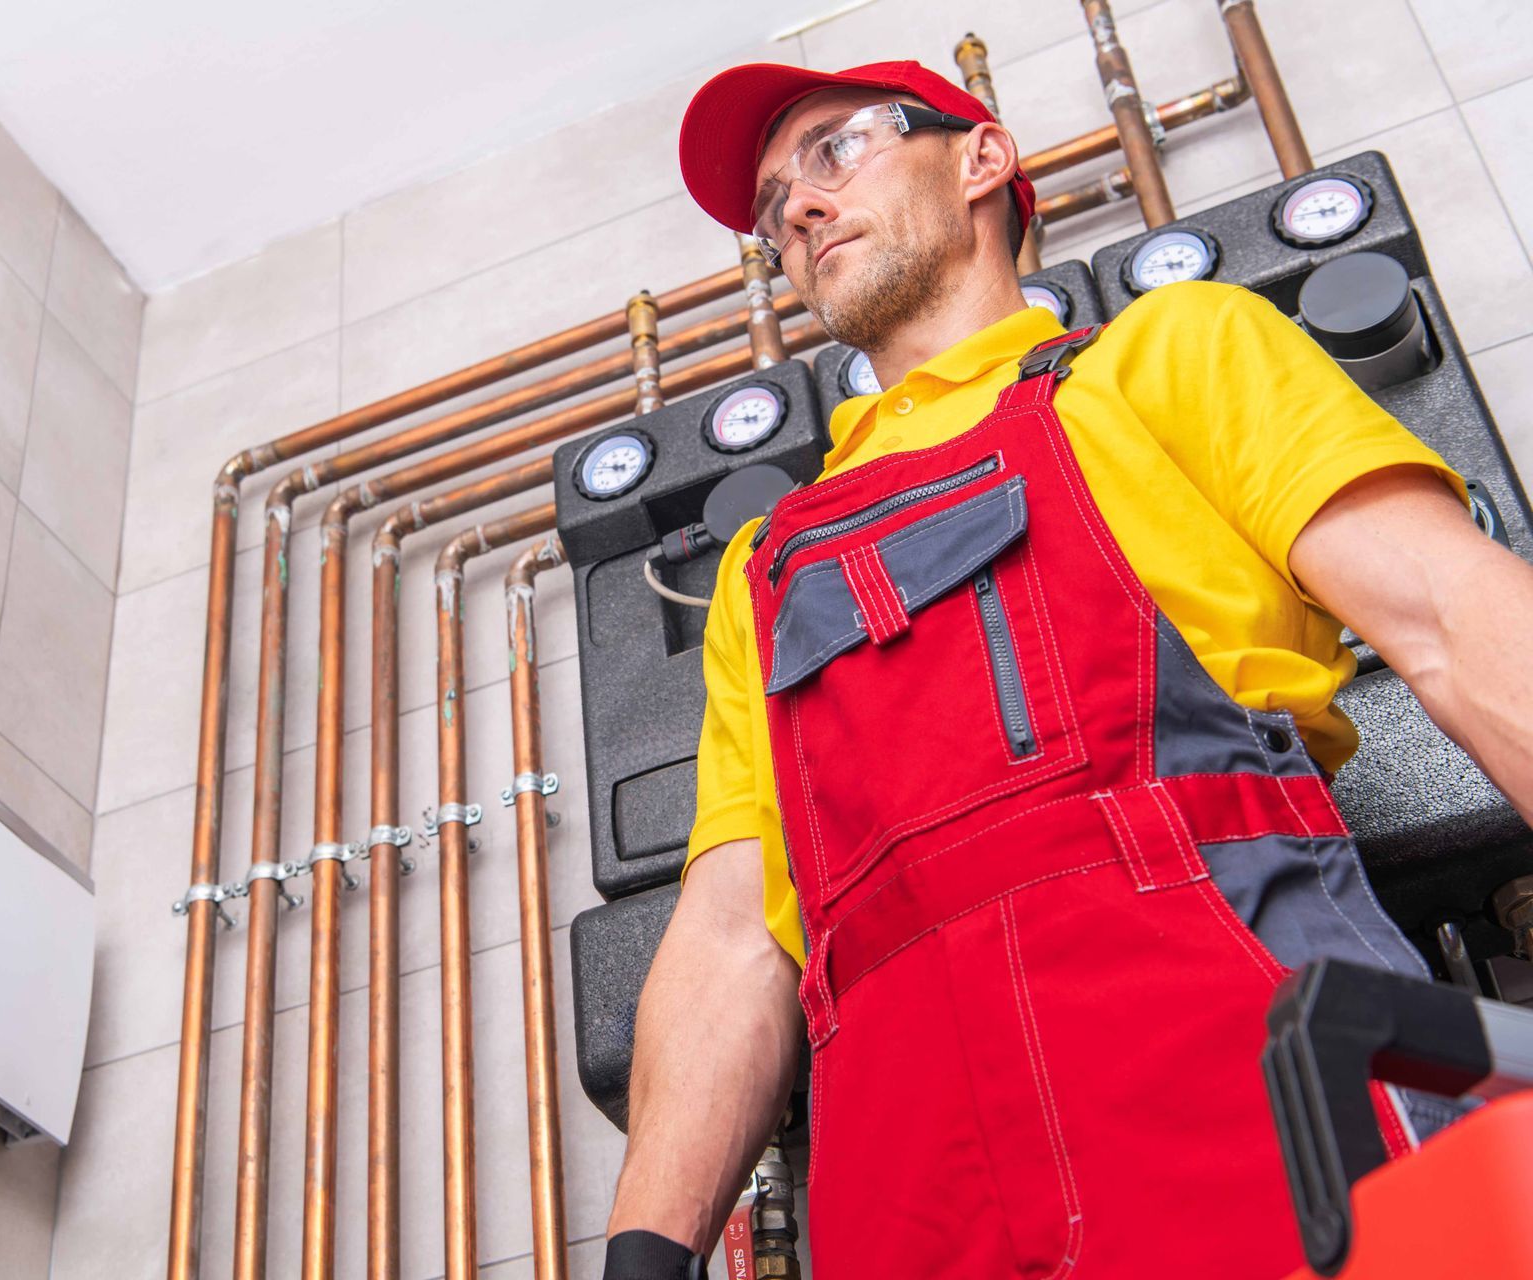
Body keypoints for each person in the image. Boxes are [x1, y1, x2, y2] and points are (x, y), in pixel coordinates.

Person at [598, 58, 1533, 1280]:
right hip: (912, 1194)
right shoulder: (761, 571)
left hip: (1249, 1088)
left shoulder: (1174, 354)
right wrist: (645, 1254)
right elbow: (732, 936)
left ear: (981, 158)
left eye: (837, 150)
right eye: (775, 208)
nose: (801, 210)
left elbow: (1458, 621)